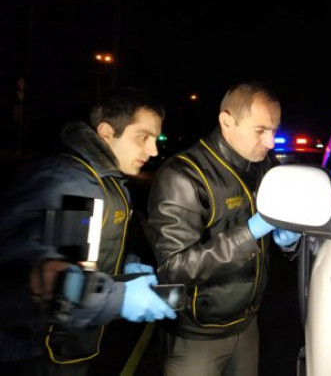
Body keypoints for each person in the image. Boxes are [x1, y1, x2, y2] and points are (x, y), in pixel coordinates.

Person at [0, 87, 177, 375]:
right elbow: (57, 282)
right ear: (106, 132)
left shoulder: (109, 180)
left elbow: (85, 247)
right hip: (36, 353)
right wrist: (121, 298)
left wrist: (126, 263)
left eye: (155, 139)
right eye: (143, 137)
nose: (154, 150)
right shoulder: (73, 184)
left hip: (67, 345)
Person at [146, 81, 301, 376]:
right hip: (198, 336)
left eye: (274, 130)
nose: (270, 142)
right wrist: (250, 232)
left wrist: (288, 242)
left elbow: (273, 239)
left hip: (248, 324)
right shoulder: (184, 175)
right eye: (260, 130)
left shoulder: (263, 165)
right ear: (227, 122)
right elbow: (173, 269)